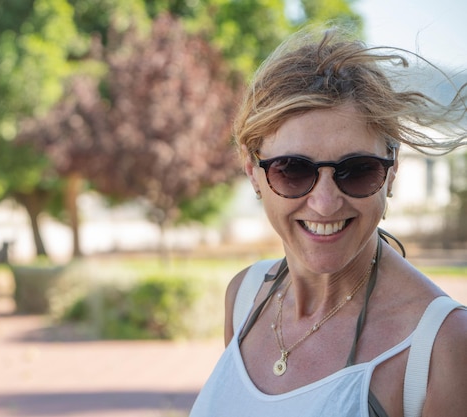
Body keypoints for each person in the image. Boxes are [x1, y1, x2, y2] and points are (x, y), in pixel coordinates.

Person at [189, 27, 467, 417]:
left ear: (391, 173)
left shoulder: (442, 346)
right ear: (253, 171)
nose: (324, 203)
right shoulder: (244, 298)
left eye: (357, 170)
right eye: (292, 170)